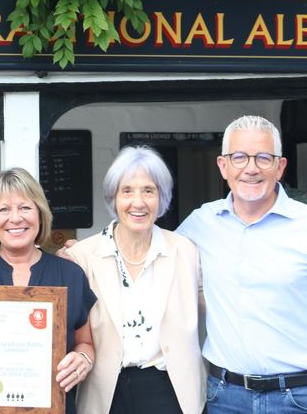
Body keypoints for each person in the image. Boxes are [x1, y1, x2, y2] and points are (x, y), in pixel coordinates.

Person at [178, 115, 307, 413]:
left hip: (301, 398)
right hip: (225, 398)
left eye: (263, 157)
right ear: (223, 166)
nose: (251, 168)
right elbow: (152, 259)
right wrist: (84, 252)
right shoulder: (200, 224)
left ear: (280, 166)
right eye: (240, 157)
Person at [66, 146, 204, 414]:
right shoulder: (82, 256)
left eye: (149, 191)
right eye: (127, 191)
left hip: (171, 390)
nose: (138, 202)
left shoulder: (185, 250)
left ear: (161, 197)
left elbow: (221, 306)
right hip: (105, 391)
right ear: (113, 198)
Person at [0, 168, 96, 414]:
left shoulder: (70, 274)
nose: (15, 218)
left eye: (25, 208)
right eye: (4, 209)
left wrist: (84, 359)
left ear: (40, 214)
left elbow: (85, 342)